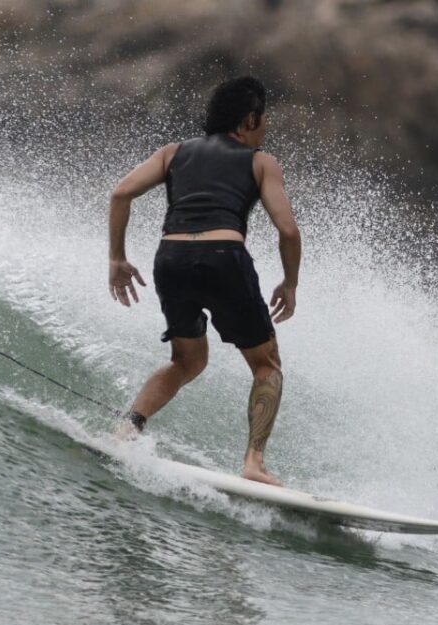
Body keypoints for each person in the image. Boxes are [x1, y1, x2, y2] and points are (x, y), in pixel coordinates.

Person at [106, 76, 301, 486]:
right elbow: (287, 231)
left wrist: (117, 257)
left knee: (187, 361)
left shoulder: (172, 153)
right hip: (223, 257)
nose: (265, 129)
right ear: (249, 120)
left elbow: (121, 193)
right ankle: (254, 463)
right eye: (263, 121)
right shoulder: (261, 161)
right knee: (267, 366)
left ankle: (126, 429)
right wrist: (289, 283)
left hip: (171, 258)